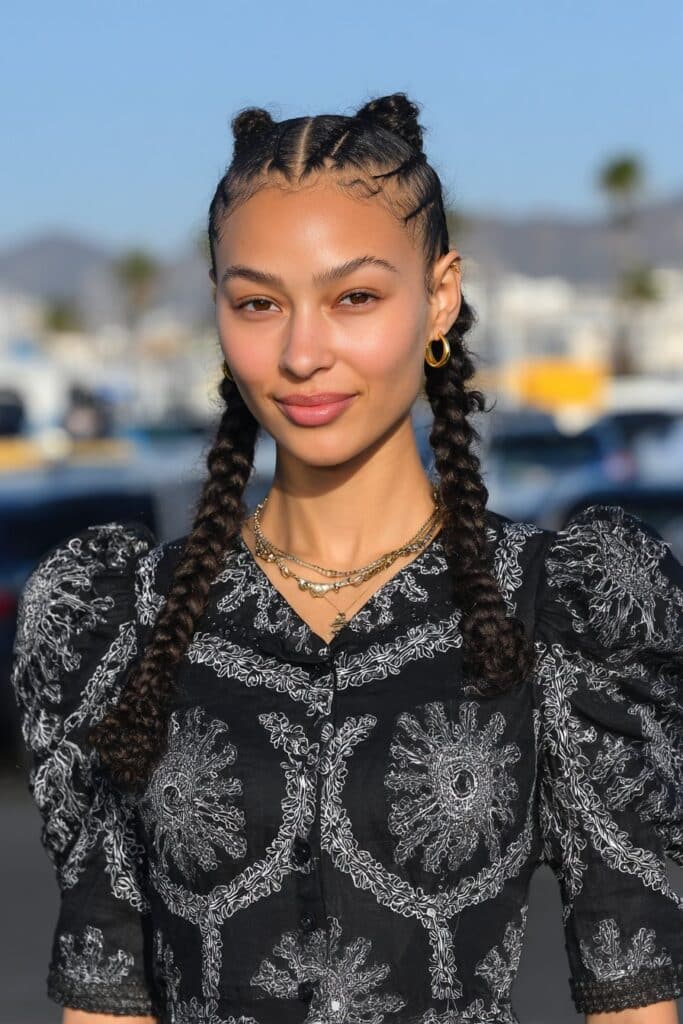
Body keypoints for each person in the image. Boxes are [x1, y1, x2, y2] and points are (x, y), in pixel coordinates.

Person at [10, 93, 683, 1024]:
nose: (301, 351)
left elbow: (632, 988)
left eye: (354, 297)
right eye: (258, 303)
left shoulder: (557, 607)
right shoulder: (121, 616)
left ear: (439, 294)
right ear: (218, 309)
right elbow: (103, 996)